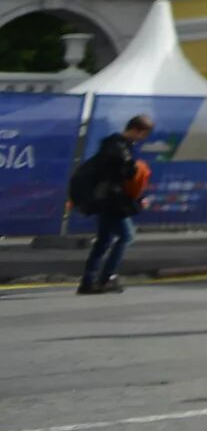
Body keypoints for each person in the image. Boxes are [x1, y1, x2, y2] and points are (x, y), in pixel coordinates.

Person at [74, 113, 154, 295]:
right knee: (126, 236)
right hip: (113, 200)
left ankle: (89, 280)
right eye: (143, 135)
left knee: (104, 240)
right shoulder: (119, 147)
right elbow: (125, 174)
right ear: (135, 130)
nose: (142, 139)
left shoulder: (112, 145)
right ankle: (107, 277)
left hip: (106, 198)